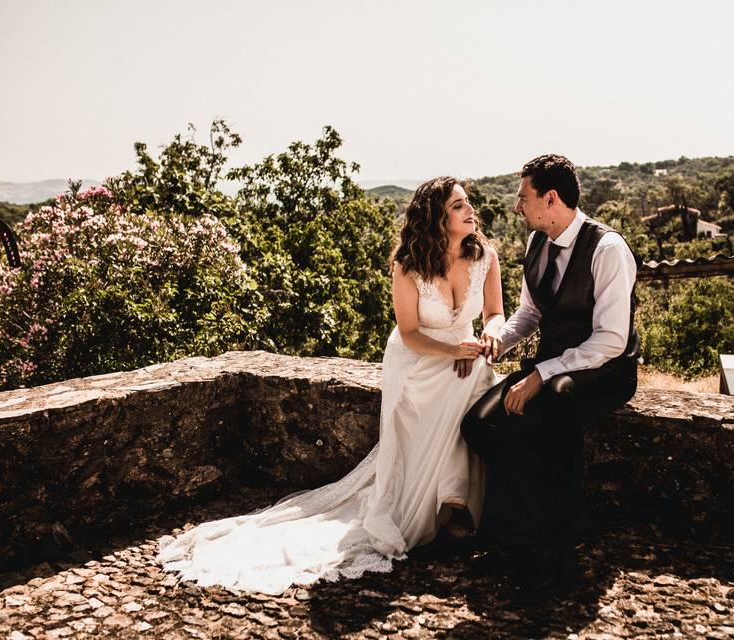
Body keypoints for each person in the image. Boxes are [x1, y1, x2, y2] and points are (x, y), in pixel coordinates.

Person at [158, 177, 504, 593]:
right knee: (457, 386)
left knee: (477, 383)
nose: (470, 211)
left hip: (466, 353)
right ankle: (449, 509)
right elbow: (409, 333)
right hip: (419, 360)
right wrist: (452, 354)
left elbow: (496, 313)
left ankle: (453, 503)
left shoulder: (485, 256)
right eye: (457, 206)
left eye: (467, 204)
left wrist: (487, 338)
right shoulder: (408, 265)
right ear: (436, 216)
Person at [461, 154, 639, 600]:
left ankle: (555, 556)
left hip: (606, 372)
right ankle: (533, 524)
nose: (518, 207)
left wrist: (541, 373)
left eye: (524, 198)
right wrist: (498, 341)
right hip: (552, 366)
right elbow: (532, 313)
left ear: (551, 198)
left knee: (556, 405)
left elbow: (611, 341)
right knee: (479, 425)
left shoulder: (608, 250)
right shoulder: (537, 243)